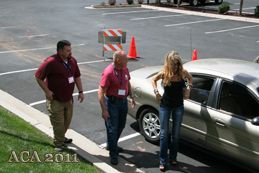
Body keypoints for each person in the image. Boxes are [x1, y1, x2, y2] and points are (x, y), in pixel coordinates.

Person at [34, 40, 84, 152]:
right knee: (58, 123)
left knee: (67, 121)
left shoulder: (72, 61)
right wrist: (47, 91)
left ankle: (61, 137)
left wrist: (80, 91)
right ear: (60, 51)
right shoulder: (50, 62)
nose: (70, 52)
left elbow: (77, 76)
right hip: (56, 99)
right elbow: (38, 76)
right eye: (67, 51)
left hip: (68, 99)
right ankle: (58, 143)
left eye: (70, 50)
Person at [151, 51, 193, 171]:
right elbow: (153, 80)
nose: (176, 67)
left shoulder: (182, 73)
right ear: (168, 64)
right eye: (173, 65)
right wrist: (156, 92)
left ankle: (173, 157)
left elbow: (190, 78)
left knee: (175, 135)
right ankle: (163, 160)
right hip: (165, 106)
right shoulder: (164, 74)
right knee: (164, 135)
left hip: (178, 106)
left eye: (177, 64)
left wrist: (188, 89)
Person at [98, 50, 135, 165]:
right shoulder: (108, 72)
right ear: (118, 60)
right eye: (125, 59)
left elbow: (127, 82)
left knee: (121, 125)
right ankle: (113, 154)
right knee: (112, 129)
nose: (127, 61)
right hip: (112, 104)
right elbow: (100, 92)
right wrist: (104, 110)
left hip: (123, 103)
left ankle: (111, 144)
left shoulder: (125, 69)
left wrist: (132, 96)